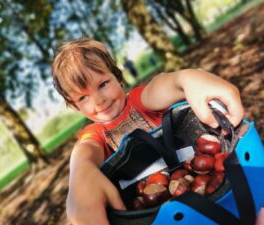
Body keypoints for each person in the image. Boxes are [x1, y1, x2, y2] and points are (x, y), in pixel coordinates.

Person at [52, 38, 245, 225]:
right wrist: (80, 172)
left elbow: (162, 86)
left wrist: (186, 79)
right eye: (83, 98)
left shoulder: (139, 101)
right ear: (76, 107)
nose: (98, 100)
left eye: (103, 84)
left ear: (118, 78)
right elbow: (85, 150)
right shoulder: (96, 134)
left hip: (212, 196)